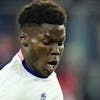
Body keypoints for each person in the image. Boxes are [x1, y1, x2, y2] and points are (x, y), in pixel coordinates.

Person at [0, 0, 67, 99]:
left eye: (60, 43)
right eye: (47, 42)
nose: (56, 50)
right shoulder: (7, 88)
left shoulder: (51, 82)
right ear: (25, 40)